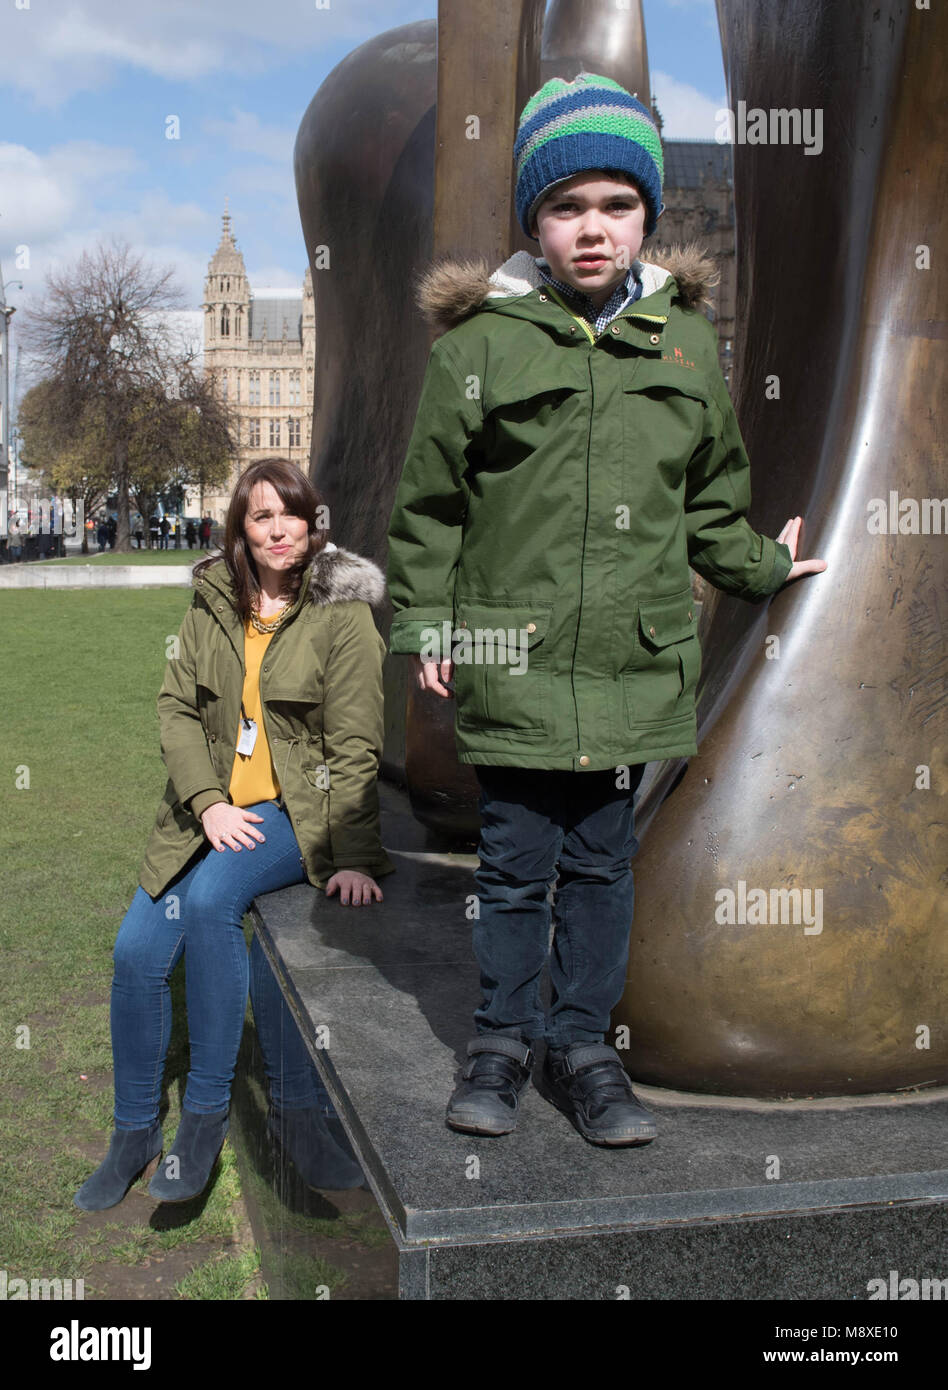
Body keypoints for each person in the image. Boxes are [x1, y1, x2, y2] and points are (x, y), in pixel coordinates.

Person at [386, 74, 826, 1147]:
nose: (593, 229)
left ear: (647, 217)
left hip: (632, 660)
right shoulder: (481, 345)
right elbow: (430, 503)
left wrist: (764, 566)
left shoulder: (684, 345)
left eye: (616, 205)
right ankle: (497, 1043)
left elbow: (712, 498)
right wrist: (427, 625)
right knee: (513, 864)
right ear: (535, 218)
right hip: (518, 659)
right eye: (567, 205)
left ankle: (584, 1049)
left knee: (599, 868)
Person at [75, 457, 395, 1210]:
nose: (279, 529)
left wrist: (351, 853)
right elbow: (176, 708)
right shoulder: (213, 602)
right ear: (241, 532)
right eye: (261, 517)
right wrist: (208, 801)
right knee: (136, 952)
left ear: (313, 523)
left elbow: (354, 744)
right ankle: (132, 1133)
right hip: (207, 811)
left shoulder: (342, 613)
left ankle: (206, 1120)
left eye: (292, 513)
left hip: (295, 811)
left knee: (216, 901)